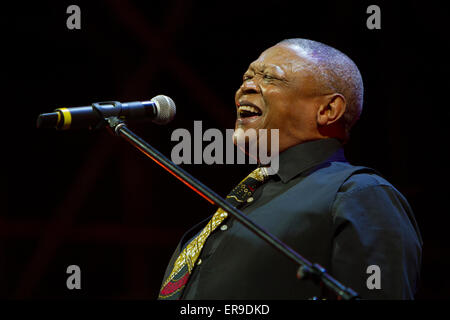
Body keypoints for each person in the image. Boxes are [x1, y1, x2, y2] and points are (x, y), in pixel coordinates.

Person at [158, 38, 423, 300]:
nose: (245, 88)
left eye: (270, 78)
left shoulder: (360, 195)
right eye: (247, 77)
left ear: (328, 110)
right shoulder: (237, 207)